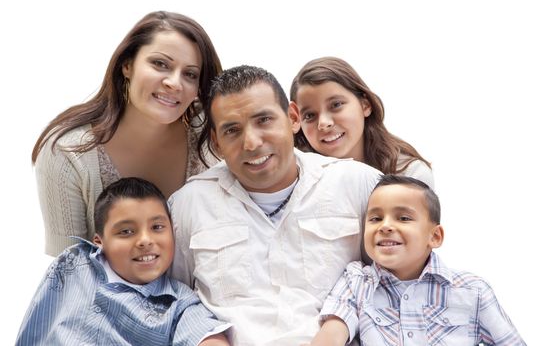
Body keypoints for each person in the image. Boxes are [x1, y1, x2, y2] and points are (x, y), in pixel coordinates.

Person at [169, 65, 382, 345]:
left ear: (293, 118)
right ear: (216, 143)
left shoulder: (359, 185)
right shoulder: (188, 204)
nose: (252, 142)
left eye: (264, 120)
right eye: (232, 130)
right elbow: (174, 299)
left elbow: (399, 282)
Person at [31, 11, 222, 256]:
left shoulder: (211, 133)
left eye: (190, 74)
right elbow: (68, 274)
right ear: (127, 65)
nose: (174, 83)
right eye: (160, 64)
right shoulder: (67, 154)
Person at [308, 174, 525, 345]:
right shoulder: (356, 281)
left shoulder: (472, 291)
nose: (385, 226)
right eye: (375, 218)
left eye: (403, 218)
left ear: (435, 236)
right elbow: (333, 331)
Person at [16, 177, 230, 346]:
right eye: (126, 231)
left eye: (157, 227)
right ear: (100, 242)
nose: (145, 241)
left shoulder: (178, 303)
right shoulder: (73, 263)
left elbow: (204, 333)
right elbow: (36, 321)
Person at [289, 56, 434, 188]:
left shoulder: (410, 174)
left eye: (336, 105)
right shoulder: (295, 180)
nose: (324, 123)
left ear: (365, 105)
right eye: (309, 115)